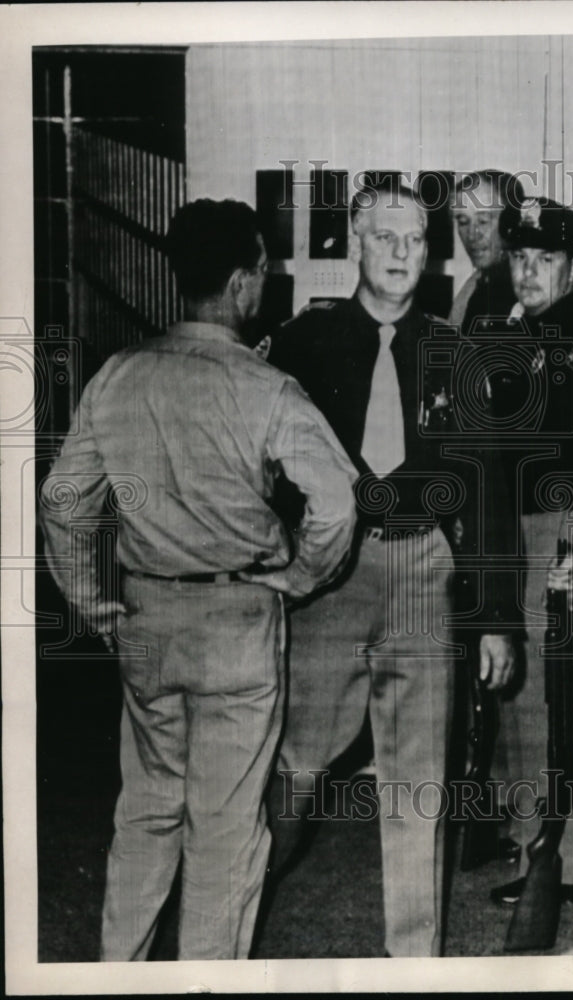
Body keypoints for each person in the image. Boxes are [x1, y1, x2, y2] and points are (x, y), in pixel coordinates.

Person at [38, 198, 359, 961]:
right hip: (237, 621)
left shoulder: (119, 374)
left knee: (147, 812)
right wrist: (302, 575)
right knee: (224, 831)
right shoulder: (263, 386)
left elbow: (60, 501)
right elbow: (338, 499)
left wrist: (94, 604)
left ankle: (118, 975)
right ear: (245, 281)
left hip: (145, 614)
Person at [266, 180, 517, 957]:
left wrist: (496, 617)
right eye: (387, 238)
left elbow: (487, 493)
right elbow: (269, 478)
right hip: (331, 575)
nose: (405, 254)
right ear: (356, 241)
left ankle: (414, 961)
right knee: (296, 768)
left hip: (423, 569)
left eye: (417, 240)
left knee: (418, 783)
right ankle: (233, 898)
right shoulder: (302, 346)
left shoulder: (457, 352)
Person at [483, 197, 573, 907]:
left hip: (565, 525)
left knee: (556, 693)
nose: (528, 271)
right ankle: (531, 845)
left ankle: (562, 861)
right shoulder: (524, 332)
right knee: (523, 693)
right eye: (519, 257)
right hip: (524, 526)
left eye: (544, 260)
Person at [449, 169, 523, 332]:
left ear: (511, 222)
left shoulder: (533, 288)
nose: (472, 234)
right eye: (463, 222)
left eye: (483, 221)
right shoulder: (472, 288)